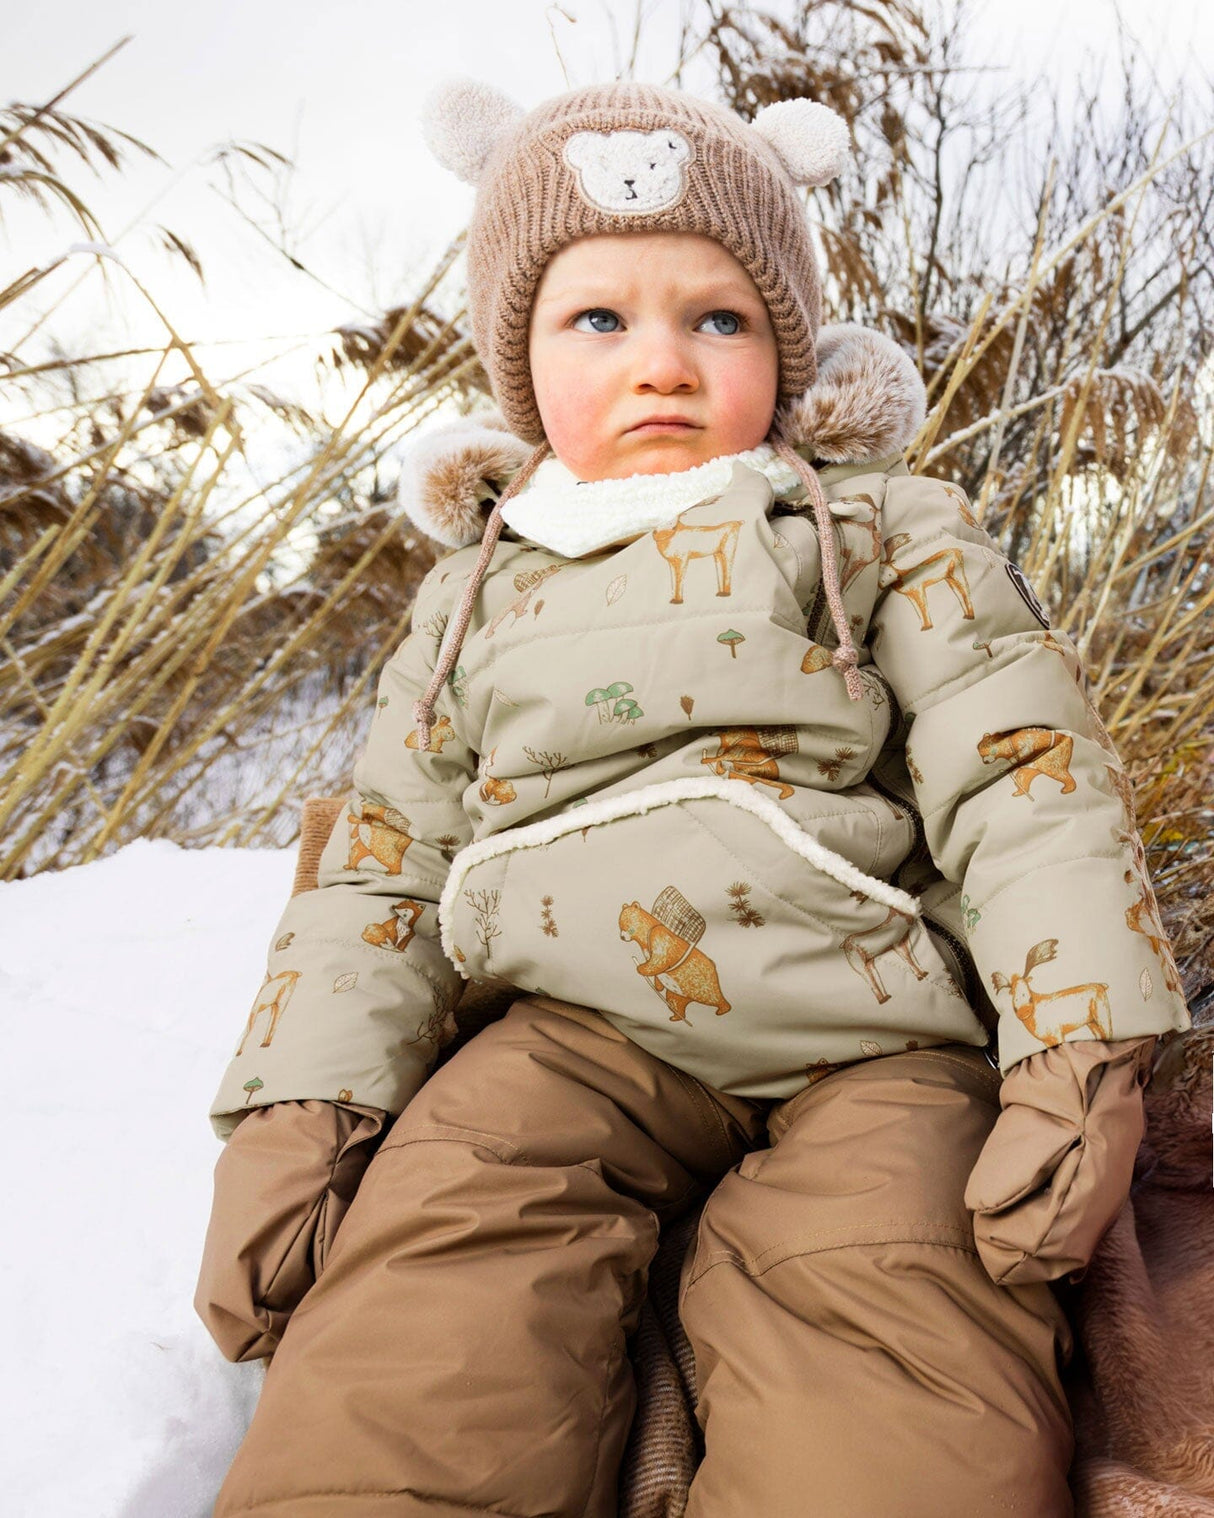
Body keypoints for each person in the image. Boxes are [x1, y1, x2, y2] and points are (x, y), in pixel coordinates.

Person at [197, 79, 1190, 1517]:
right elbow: (384, 859)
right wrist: (305, 1112)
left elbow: (1025, 775)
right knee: (436, 1279)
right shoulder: (479, 586)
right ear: (518, 359)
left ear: (786, 351)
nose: (660, 362)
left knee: (893, 1305)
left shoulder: (880, 528)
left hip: (869, 1035)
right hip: (564, 1030)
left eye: (718, 319)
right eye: (597, 319)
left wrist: (1073, 1046)